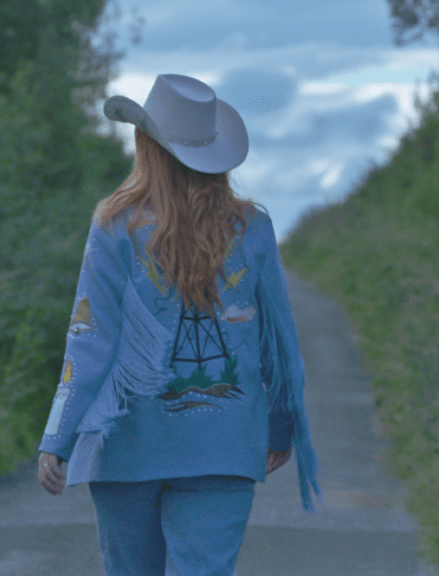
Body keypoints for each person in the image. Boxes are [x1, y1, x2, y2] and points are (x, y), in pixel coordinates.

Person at [37, 73, 320, 576]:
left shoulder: (114, 225)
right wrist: (280, 425)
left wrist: (58, 436)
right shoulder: (251, 227)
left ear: (146, 144)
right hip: (225, 448)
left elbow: (90, 339)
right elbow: (276, 341)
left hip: (125, 449)